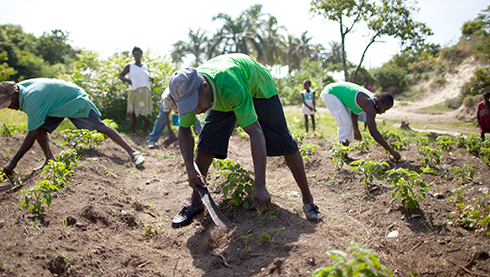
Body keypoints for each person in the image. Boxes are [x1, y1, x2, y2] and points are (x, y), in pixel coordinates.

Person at [168, 53, 323, 228]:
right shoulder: (189, 93)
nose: (195, 111)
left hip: (259, 89)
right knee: (206, 145)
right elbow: (184, 130)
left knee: (285, 143)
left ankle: (308, 200)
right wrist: (190, 167)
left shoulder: (229, 84)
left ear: (204, 86)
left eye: (195, 104)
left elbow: (256, 133)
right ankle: (196, 202)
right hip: (221, 96)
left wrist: (260, 185)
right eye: (188, 106)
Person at [0, 78, 145, 175]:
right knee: (40, 128)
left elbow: (30, 135)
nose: (10, 107)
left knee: (100, 127)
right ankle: (50, 160)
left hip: (73, 99)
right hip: (55, 105)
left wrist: (12, 163)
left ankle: (133, 153)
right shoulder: (21, 91)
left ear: (15, 94)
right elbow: (36, 128)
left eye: (9, 103)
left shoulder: (32, 99)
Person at [321, 81, 401, 160]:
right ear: (379, 102)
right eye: (384, 109)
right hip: (331, 93)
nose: (383, 112)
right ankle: (342, 156)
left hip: (336, 93)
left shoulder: (371, 100)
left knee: (349, 124)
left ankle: (343, 155)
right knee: (345, 123)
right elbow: (373, 131)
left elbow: (355, 110)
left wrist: (355, 128)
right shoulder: (369, 103)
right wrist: (391, 151)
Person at [118, 47, 154, 135]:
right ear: (133, 55)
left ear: (141, 55)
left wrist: (150, 78)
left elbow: (145, 76)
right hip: (135, 90)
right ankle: (132, 131)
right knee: (133, 112)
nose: (137, 56)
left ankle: (145, 130)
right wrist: (128, 81)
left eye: (138, 54)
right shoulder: (130, 66)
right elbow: (121, 75)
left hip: (145, 90)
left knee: (146, 111)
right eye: (135, 54)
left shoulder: (145, 66)